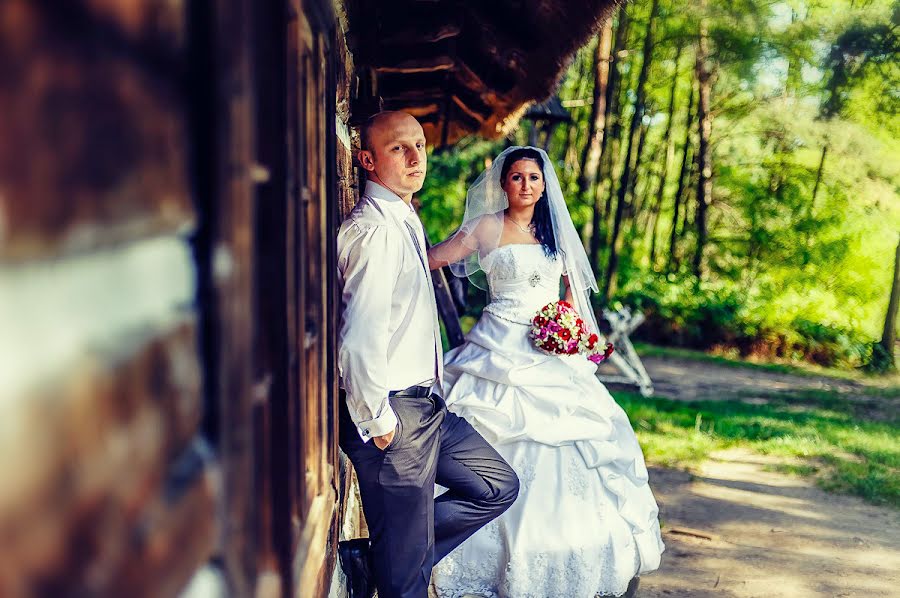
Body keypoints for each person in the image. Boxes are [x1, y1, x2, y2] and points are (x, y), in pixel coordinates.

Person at [427, 147, 664, 598]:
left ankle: (569, 553)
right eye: (516, 177)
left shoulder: (554, 232)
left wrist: (567, 328)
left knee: (573, 446)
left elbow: (574, 294)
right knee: (495, 439)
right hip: (497, 350)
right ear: (503, 184)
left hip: (550, 351)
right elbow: (432, 259)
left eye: (533, 178)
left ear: (543, 184)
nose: (526, 186)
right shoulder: (486, 227)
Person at [336, 111, 520, 598]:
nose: (417, 157)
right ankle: (394, 559)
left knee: (497, 485)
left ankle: (372, 558)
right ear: (367, 159)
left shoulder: (405, 218)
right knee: (407, 586)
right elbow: (358, 338)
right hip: (393, 415)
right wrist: (379, 423)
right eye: (400, 148)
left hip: (427, 408)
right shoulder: (375, 231)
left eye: (419, 144)